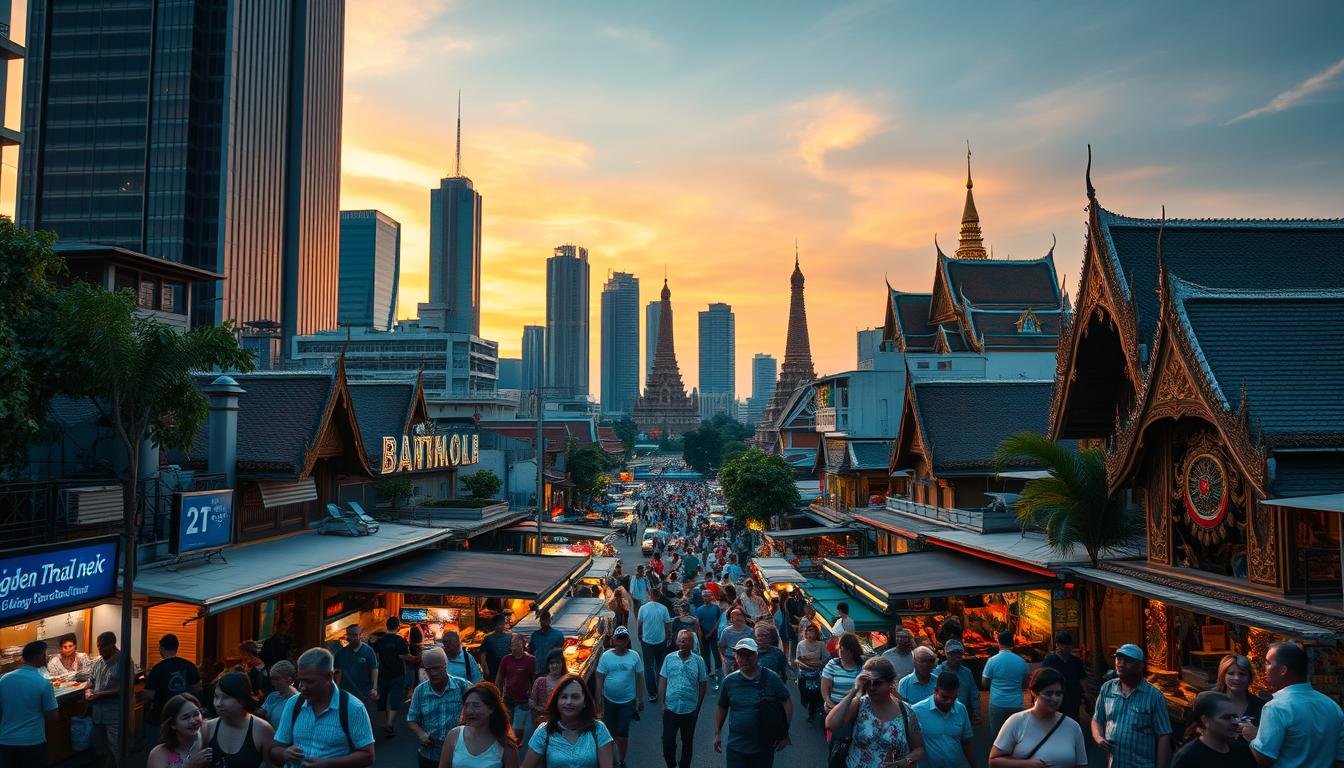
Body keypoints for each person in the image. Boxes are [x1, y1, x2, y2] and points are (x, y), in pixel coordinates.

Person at [269, 647, 375, 768]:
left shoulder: (353, 708)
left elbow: (368, 756)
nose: (303, 687)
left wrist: (328, 764)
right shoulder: (293, 704)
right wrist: (284, 753)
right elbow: (275, 749)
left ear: (329, 676)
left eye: (310, 682)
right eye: (301, 681)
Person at [1247, 641, 1344, 768]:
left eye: (1268, 663)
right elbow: (1340, 759)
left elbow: (1265, 759)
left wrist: (1253, 738)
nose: (1264, 668)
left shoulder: (1276, 707)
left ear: (1283, 670)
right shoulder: (1332, 706)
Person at [824, 656, 926, 768]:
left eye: (877, 683)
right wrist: (855, 690)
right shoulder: (859, 704)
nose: (871, 688)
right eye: (867, 683)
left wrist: (905, 762)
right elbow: (831, 724)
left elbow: (919, 749)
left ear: (891, 683)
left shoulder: (907, 713)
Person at [715, 637, 793, 768]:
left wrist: (784, 732)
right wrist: (717, 733)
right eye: (741, 655)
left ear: (756, 655)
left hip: (763, 747)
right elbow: (722, 706)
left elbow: (787, 702)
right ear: (736, 657)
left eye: (749, 654)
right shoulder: (729, 681)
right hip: (736, 747)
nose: (745, 659)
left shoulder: (771, 677)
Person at [1092, 643, 1172, 768]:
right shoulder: (1107, 688)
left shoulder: (1154, 696)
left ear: (1140, 666)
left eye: (1128, 661)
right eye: (1118, 659)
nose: (1121, 663)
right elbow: (1097, 719)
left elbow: (1164, 735)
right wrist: (1098, 737)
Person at [990, 667, 1087, 768]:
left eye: (1058, 694)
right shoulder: (1016, 721)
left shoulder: (1073, 726)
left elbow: (1082, 765)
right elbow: (993, 761)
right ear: (1034, 692)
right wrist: (1026, 764)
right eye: (1049, 693)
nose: (1055, 699)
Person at [520, 674, 615, 768]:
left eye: (575, 697)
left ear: (585, 702)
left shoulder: (598, 729)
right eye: (564, 697)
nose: (569, 702)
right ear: (557, 701)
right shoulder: (544, 732)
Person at [408, 647, 473, 768]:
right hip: (429, 754)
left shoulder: (463, 686)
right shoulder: (420, 691)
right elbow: (412, 719)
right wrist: (421, 734)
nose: (433, 673)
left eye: (437, 668)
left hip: (459, 754)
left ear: (445, 665)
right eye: (429, 669)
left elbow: (478, 712)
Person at [0, 641, 58, 766]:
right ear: (39, 656)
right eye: (45, 654)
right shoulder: (43, 683)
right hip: (33, 742)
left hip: (6, 742)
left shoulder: (3, 679)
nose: (47, 657)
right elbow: (53, 716)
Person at [594, 626, 644, 768]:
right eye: (619, 638)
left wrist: (640, 698)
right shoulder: (606, 656)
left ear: (628, 639)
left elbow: (640, 677)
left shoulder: (634, 656)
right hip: (609, 700)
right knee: (609, 734)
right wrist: (598, 697)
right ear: (614, 640)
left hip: (627, 702)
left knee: (622, 733)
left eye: (625, 638)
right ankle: (613, 760)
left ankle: (621, 760)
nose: (622, 641)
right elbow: (599, 677)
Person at [203, 671, 274, 768]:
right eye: (216, 697)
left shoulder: (263, 730)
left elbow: (272, 764)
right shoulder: (208, 727)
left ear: (242, 699)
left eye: (225, 698)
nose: (218, 703)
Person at [440, 682, 520, 768]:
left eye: (476, 705)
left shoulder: (506, 746)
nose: (470, 711)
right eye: (467, 705)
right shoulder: (454, 735)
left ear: (491, 709)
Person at [659, 629, 709, 768]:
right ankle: (671, 764)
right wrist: (662, 704)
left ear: (692, 644)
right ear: (676, 642)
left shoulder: (698, 661)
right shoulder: (669, 658)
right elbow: (663, 680)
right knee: (668, 741)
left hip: (690, 709)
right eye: (680, 639)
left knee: (687, 741)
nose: (682, 641)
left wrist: (698, 707)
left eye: (686, 639)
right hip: (671, 707)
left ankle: (684, 765)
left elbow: (703, 684)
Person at [1171, 692, 1254, 768]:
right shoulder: (1188, 758)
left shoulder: (1242, 751)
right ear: (1205, 720)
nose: (1235, 722)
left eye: (1234, 717)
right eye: (1226, 718)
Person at [912, 671, 975, 768]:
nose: (949, 702)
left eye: (953, 698)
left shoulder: (961, 709)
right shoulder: (917, 711)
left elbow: (966, 742)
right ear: (935, 691)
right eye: (944, 697)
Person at [145, 634, 201, 739]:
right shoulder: (190, 665)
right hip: (185, 715)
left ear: (161, 648)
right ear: (177, 647)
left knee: (160, 747)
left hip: (161, 717)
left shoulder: (157, 669)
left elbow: (149, 694)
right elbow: (197, 689)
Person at [87, 631, 125, 768]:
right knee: (99, 748)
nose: (100, 650)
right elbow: (90, 682)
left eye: (103, 646)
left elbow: (124, 689)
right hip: (98, 714)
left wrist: (100, 694)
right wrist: (88, 691)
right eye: (98, 646)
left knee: (116, 747)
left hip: (114, 714)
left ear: (112, 644)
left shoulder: (124, 661)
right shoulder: (98, 662)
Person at [982, 629, 1030, 737]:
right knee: (1015, 735)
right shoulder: (1021, 662)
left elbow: (984, 683)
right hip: (1016, 704)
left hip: (997, 703)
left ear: (998, 643)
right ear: (1012, 644)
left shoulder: (992, 661)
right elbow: (1025, 684)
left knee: (998, 736)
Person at [373, 616, 413, 738]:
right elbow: (405, 656)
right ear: (398, 627)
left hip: (383, 675)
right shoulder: (400, 640)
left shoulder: (379, 641)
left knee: (382, 699)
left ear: (386, 626)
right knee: (395, 698)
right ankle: (390, 723)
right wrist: (417, 658)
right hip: (398, 674)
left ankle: (383, 723)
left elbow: (375, 656)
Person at [146, 693, 209, 768]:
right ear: (173, 725)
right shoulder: (159, 754)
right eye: (185, 718)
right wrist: (190, 766)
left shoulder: (208, 738)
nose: (193, 721)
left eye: (196, 714)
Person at [1041, 631, 1090, 724]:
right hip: (1055, 696)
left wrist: (1086, 694)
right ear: (1057, 645)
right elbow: (1043, 679)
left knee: (1073, 719)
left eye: (1069, 646)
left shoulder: (1075, 661)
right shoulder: (1049, 661)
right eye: (1065, 646)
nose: (1068, 648)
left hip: (1073, 696)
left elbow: (1083, 679)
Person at [496, 633, 536, 743]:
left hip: (523, 700)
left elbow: (534, 680)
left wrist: (533, 696)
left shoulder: (530, 660)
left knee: (518, 729)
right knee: (507, 726)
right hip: (508, 698)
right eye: (512, 645)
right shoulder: (506, 659)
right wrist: (497, 694)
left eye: (517, 644)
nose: (514, 647)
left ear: (523, 645)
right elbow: (499, 677)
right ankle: (508, 748)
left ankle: (517, 748)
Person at [933, 640, 981, 725]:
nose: (955, 656)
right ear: (946, 654)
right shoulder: (938, 672)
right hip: (941, 715)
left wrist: (976, 713)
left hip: (962, 716)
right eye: (952, 654)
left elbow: (974, 694)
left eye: (958, 653)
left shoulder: (967, 672)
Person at [636, 588, 672, 701]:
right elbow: (667, 624)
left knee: (648, 667)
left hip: (647, 641)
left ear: (649, 596)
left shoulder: (643, 608)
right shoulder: (663, 608)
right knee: (660, 665)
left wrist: (639, 634)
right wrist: (668, 636)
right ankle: (662, 689)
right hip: (661, 640)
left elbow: (639, 623)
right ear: (659, 596)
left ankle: (652, 693)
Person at [335, 624, 380, 711]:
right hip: (346, 694)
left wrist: (374, 688)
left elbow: (374, 669)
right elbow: (337, 672)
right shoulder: (340, 653)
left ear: (360, 635)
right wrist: (336, 689)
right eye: (349, 635)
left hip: (364, 694)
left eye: (355, 635)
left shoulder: (368, 651)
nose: (352, 637)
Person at [1213, 654, 1265, 726]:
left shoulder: (1261, 707)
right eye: (1231, 673)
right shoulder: (1212, 703)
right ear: (1223, 676)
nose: (1236, 678)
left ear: (1250, 678)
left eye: (1242, 674)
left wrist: (1256, 734)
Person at [822, 633, 865, 716]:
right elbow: (825, 691)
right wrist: (832, 707)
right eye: (840, 647)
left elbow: (862, 691)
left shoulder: (862, 666)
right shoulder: (833, 664)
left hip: (854, 710)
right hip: (833, 708)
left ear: (853, 651)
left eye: (845, 648)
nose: (841, 650)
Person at [794, 622, 828, 722]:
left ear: (816, 633)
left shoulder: (821, 645)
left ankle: (812, 714)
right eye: (808, 631)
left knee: (814, 696)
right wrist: (807, 665)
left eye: (812, 631)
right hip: (803, 674)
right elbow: (797, 660)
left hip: (815, 675)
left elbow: (827, 658)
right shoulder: (801, 644)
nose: (809, 634)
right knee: (804, 695)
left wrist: (818, 664)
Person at [530, 650, 567, 726]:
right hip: (543, 723)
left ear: (563, 664)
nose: (554, 665)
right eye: (552, 663)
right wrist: (540, 709)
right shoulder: (540, 681)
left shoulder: (567, 682)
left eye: (558, 662)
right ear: (547, 665)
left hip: (564, 724)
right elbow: (532, 702)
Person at [695, 590, 723, 680]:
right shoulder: (699, 610)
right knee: (705, 652)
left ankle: (718, 667)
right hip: (704, 633)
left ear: (711, 597)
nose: (706, 598)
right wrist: (701, 635)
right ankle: (708, 669)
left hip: (714, 632)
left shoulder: (716, 608)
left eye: (708, 596)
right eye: (704, 596)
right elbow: (698, 624)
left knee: (715, 650)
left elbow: (719, 619)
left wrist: (712, 631)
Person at [718, 607, 753, 676]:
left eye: (739, 615)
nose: (737, 618)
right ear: (731, 619)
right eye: (733, 616)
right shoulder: (726, 632)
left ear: (744, 617)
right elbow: (721, 647)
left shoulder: (751, 631)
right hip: (731, 662)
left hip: (746, 662)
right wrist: (725, 660)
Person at [261, 660, 298, 726]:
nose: (273, 683)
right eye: (272, 679)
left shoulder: (297, 701)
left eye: (277, 679)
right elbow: (260, 713)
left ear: (289, 680)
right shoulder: (272, 696)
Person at [479, 616, 514, 682]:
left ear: (504, 624)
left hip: (506, 669)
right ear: (495, 625)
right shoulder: (488, 638)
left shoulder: (509, 636)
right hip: (492, 670)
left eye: (501, 624)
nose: (500, 626)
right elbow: (483, 654)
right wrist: (485, 668)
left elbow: (512, 651)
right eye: (498, 624)